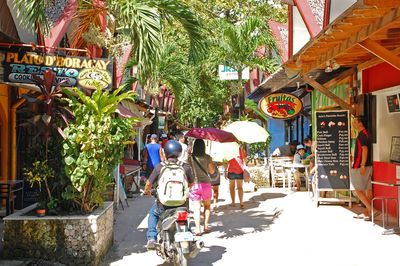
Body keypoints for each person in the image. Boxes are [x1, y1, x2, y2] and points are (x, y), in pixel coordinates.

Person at [143, 140, 194, 249]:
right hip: (182, 205)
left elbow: (148, 184)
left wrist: (146, 191)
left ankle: (151, 238)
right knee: (185, 219)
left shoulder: (159, 167)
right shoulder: (185, 167)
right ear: (180, 153)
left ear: (165, 153)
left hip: (163, 206)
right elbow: (191, 183)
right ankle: (189, 234)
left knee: (152, 214)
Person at [188, 139, 217, 235]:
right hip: (206, 185)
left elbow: (188, 169)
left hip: (195, 185)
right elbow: (212, 172)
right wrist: (211, 162)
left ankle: (197, 229)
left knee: (196, 208)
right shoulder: (208, 158)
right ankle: (205, 225)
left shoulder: (191, 158)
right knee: (207, 206)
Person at [351, 116, 375, 221]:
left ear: (360, 123)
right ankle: (368, 213)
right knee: (367, 190)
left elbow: (364, 150)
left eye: (355, 122)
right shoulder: (366, 134)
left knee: (356, 189)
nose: (353, 124)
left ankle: (372, 210)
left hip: (360, 165)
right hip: (368, 165)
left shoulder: (362, 135)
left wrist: (362, 165)